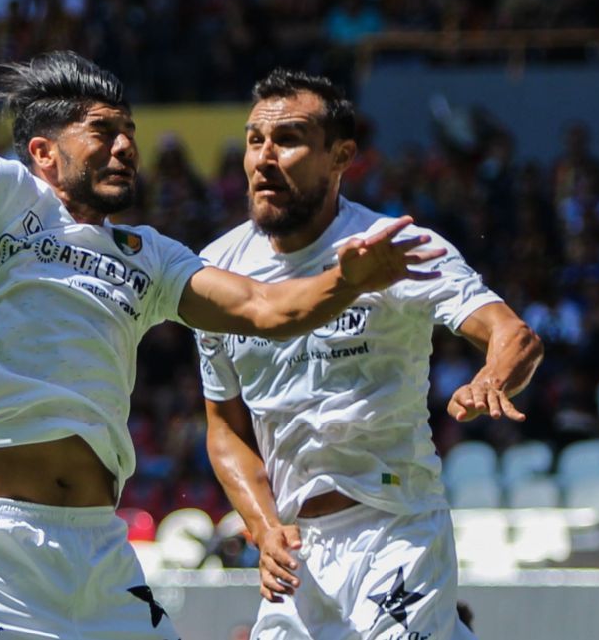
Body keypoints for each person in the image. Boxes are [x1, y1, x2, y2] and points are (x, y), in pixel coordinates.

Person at [0, 51, 444, 640]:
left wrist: (347, 281)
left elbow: (265, 308)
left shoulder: (148, 256)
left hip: (99, 556)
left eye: (129, 131)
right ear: (44, 152)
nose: (126, 146)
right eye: (104, 132)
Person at [195, 69, 543, 640]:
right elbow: (225, 427)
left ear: (341, 156)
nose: (264, 158)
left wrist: (492, 377)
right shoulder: (217, 272)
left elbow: (514, 334)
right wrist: (262, 525)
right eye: (256, 140)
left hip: (395, 529)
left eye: (288, 139)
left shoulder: (395, 248)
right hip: (296, 555)